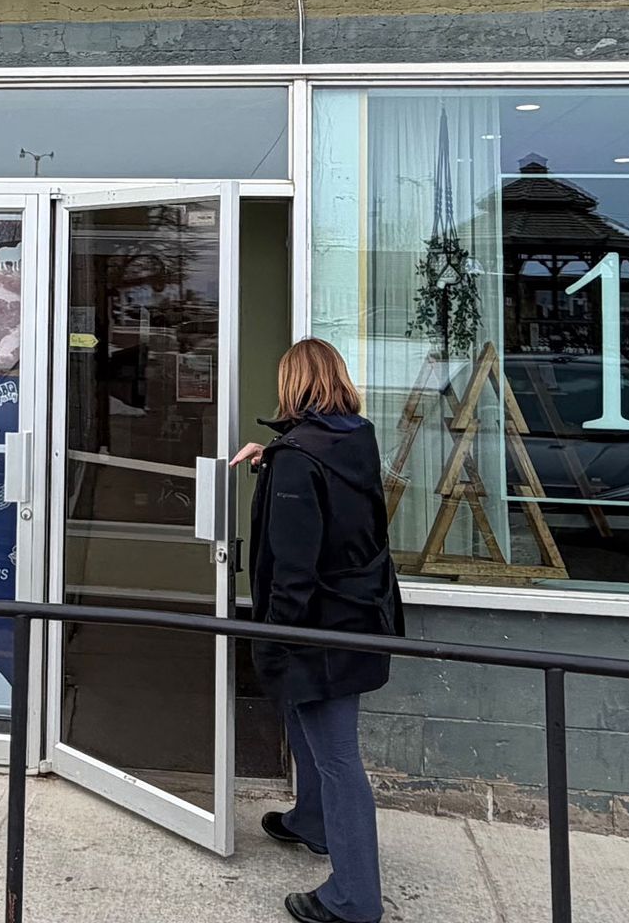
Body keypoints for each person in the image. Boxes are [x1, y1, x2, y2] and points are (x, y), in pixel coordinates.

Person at [233, 338, 404, 923]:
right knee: (300, 714)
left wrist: (276, 638)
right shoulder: (354, 437)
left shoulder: (298, 459)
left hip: (318, 625)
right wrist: (274, 457)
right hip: (360, 612)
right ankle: (312, 819)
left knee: (337, 757)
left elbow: (294, 564)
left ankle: (355, 898)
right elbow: (326, 489)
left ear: (294, 385)